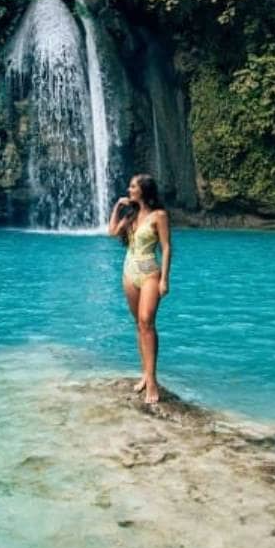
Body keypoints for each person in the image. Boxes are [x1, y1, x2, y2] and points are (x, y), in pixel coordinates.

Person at [108, 173, 171, 405]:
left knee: (147, 322)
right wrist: (117, 207)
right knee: (139, 325)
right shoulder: (131, 216)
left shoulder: (159, 216)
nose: (129, 189)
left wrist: (165, 279)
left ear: (143, 189)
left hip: (149, 273)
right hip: (128, 272)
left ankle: (152, 380)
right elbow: (112, 232)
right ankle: (144, 374)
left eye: (133, 186)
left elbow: (166, 248)